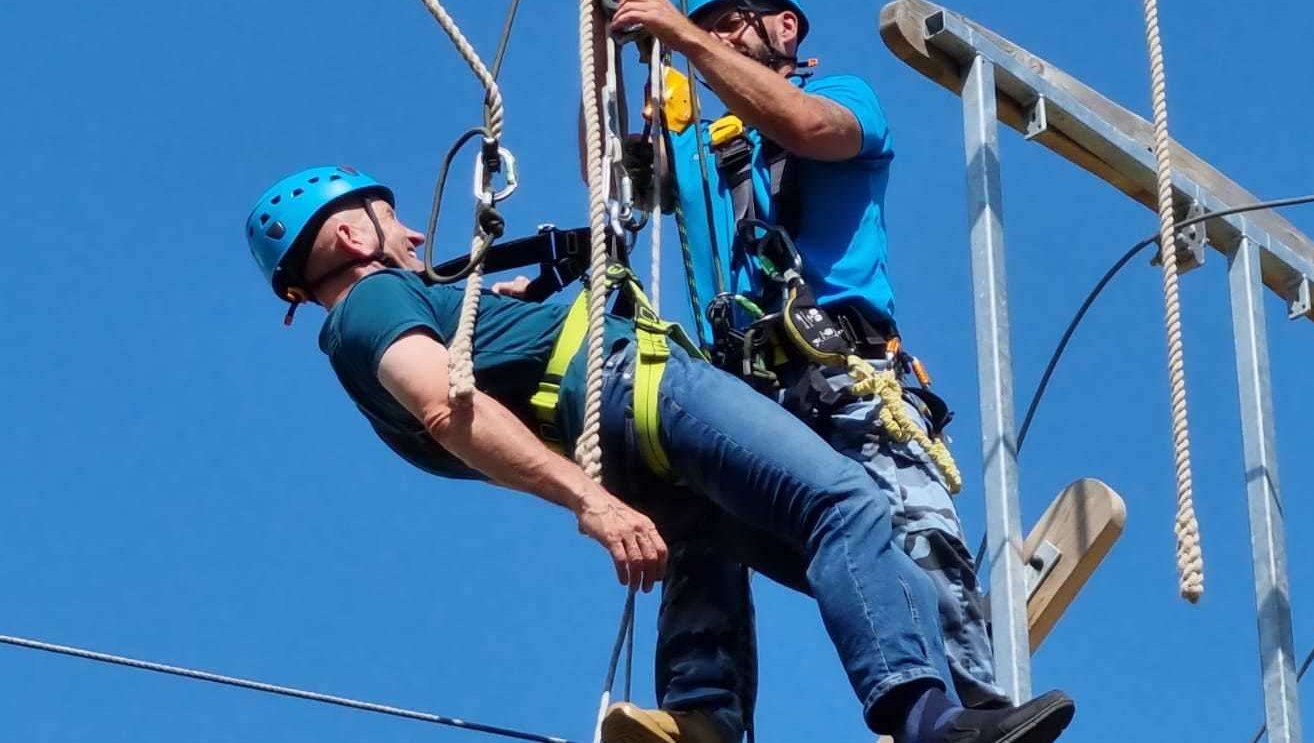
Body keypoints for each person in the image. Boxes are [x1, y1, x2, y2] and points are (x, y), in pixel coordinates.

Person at [243, 167, 1073, 743]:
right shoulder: (371, 305)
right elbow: (446, 405)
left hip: (615, 438)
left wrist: (520, 300)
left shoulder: (390, 321)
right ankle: (928, 722)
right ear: (352, 232)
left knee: (720, 538)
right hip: (633, 388)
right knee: (847, 504)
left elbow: (475, 386)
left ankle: (702, 719)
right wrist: (590, 503)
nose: (417, 230)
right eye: (393, 218)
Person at [599, 0, 1004, 708]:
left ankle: (969, 706)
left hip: (840, 371)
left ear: (784, 27)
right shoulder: (694, 144)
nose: (713, 38)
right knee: (698, 513)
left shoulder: (841, 98)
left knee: (912, 534)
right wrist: (606, 30)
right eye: (708, 25)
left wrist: (682, 36)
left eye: (730, 24)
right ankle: (702, 709)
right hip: (745, 388)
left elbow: (807, 128)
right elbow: (608, 168)